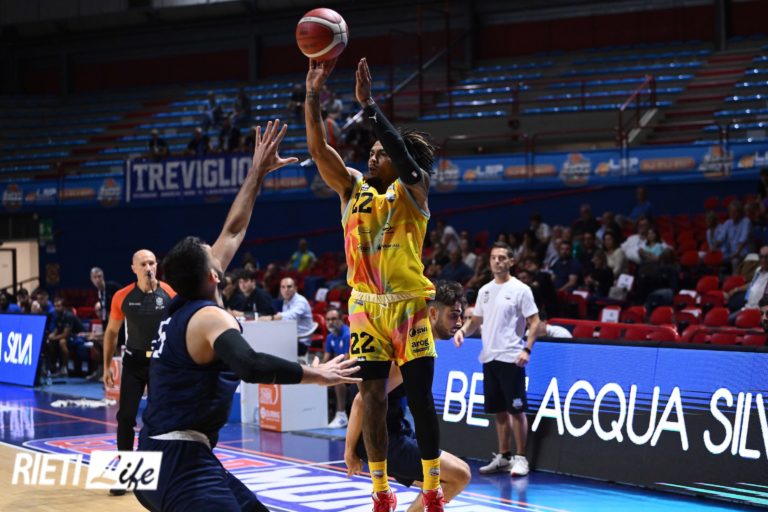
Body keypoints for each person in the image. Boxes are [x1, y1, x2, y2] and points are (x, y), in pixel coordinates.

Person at [133, 119, 361, 512]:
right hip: (176, 459)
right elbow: (251, 365)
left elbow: (234, 229)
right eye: (212, 253)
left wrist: (256, 173)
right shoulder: (207, 317)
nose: (218, 250)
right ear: (213, 274)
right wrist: (317, 374)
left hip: (160, 455)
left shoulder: (185, 298)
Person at [305, 56, 444, 510]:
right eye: (372, 151)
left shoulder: (415, 189)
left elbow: (403, 157)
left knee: (420, 398)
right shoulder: (353, 188)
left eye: (381, 152)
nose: (372, 155)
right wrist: (312, 95)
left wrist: (369, 106)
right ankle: (380, 491)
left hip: (408, 306)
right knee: (371, 398)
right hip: (365, 306)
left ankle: (432, 487)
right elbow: (319, 150)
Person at [345, 280, 471, 512]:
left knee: (442, 482)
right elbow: (362, 401)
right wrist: (349, 451)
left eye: (460, 316)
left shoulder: (419, 341)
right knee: (460, 475)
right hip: (382, 439)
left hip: (398, 429)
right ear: (433, 314)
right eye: (453, 316)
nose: (459, 322)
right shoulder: (409, 348)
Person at [453, 242, 541, 478]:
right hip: (489, 357)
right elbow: (476, 321)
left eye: (502, 258)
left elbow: (535, 322)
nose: (497, 261)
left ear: (511, 261)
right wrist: (462, 331)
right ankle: (504, 456)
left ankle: (521, 458)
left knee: (516, 410)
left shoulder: (521, 289)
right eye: (493, 257)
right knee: (499, 411)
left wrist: (527, 349)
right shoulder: (485, 290)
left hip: (512, 357)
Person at [102, 249, 176, 496]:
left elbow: (182, 328)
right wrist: (106, 366)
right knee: (125, 417)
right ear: (134, 268)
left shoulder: (170, 294)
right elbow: (112, 332)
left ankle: (161, 472)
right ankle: (125, 473)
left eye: (152, 263)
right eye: (143, 264)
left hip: (161, 363)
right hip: (133, 362)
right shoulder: (122, 296)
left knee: (160, 419)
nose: (148, 267)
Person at [263, 277, 315, 358]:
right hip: (290, 338)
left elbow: (291, 315)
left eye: (289, 287)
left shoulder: (301, 301)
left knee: (272, 347)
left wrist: (272, 318)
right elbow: (285, 322)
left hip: (301, 341)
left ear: (295, 288)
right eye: (283, 287)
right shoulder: (286, 301)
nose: (286, 290)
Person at [88, 267, 121, 380]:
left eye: (99, 277)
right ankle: (105, 371)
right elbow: (104, 314)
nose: (97, 279)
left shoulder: (112, 287)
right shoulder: (100, 293)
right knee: (100, 343)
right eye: (95, 277)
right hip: (110, 324)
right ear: (92, 279)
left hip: (121, 323)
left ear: (103, 277)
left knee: (116, 347)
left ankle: (117, 376)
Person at [324, 306, 351, 428]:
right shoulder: (330, 337)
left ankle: (341, 415)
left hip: (352, 367)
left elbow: (347, 360)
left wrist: (332, 370)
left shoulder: (347, 334)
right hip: (339, 367)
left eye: (334, 319)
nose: (330, 322)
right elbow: (326, 358)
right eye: (328, 319)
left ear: (341, 320)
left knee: (337, 378)